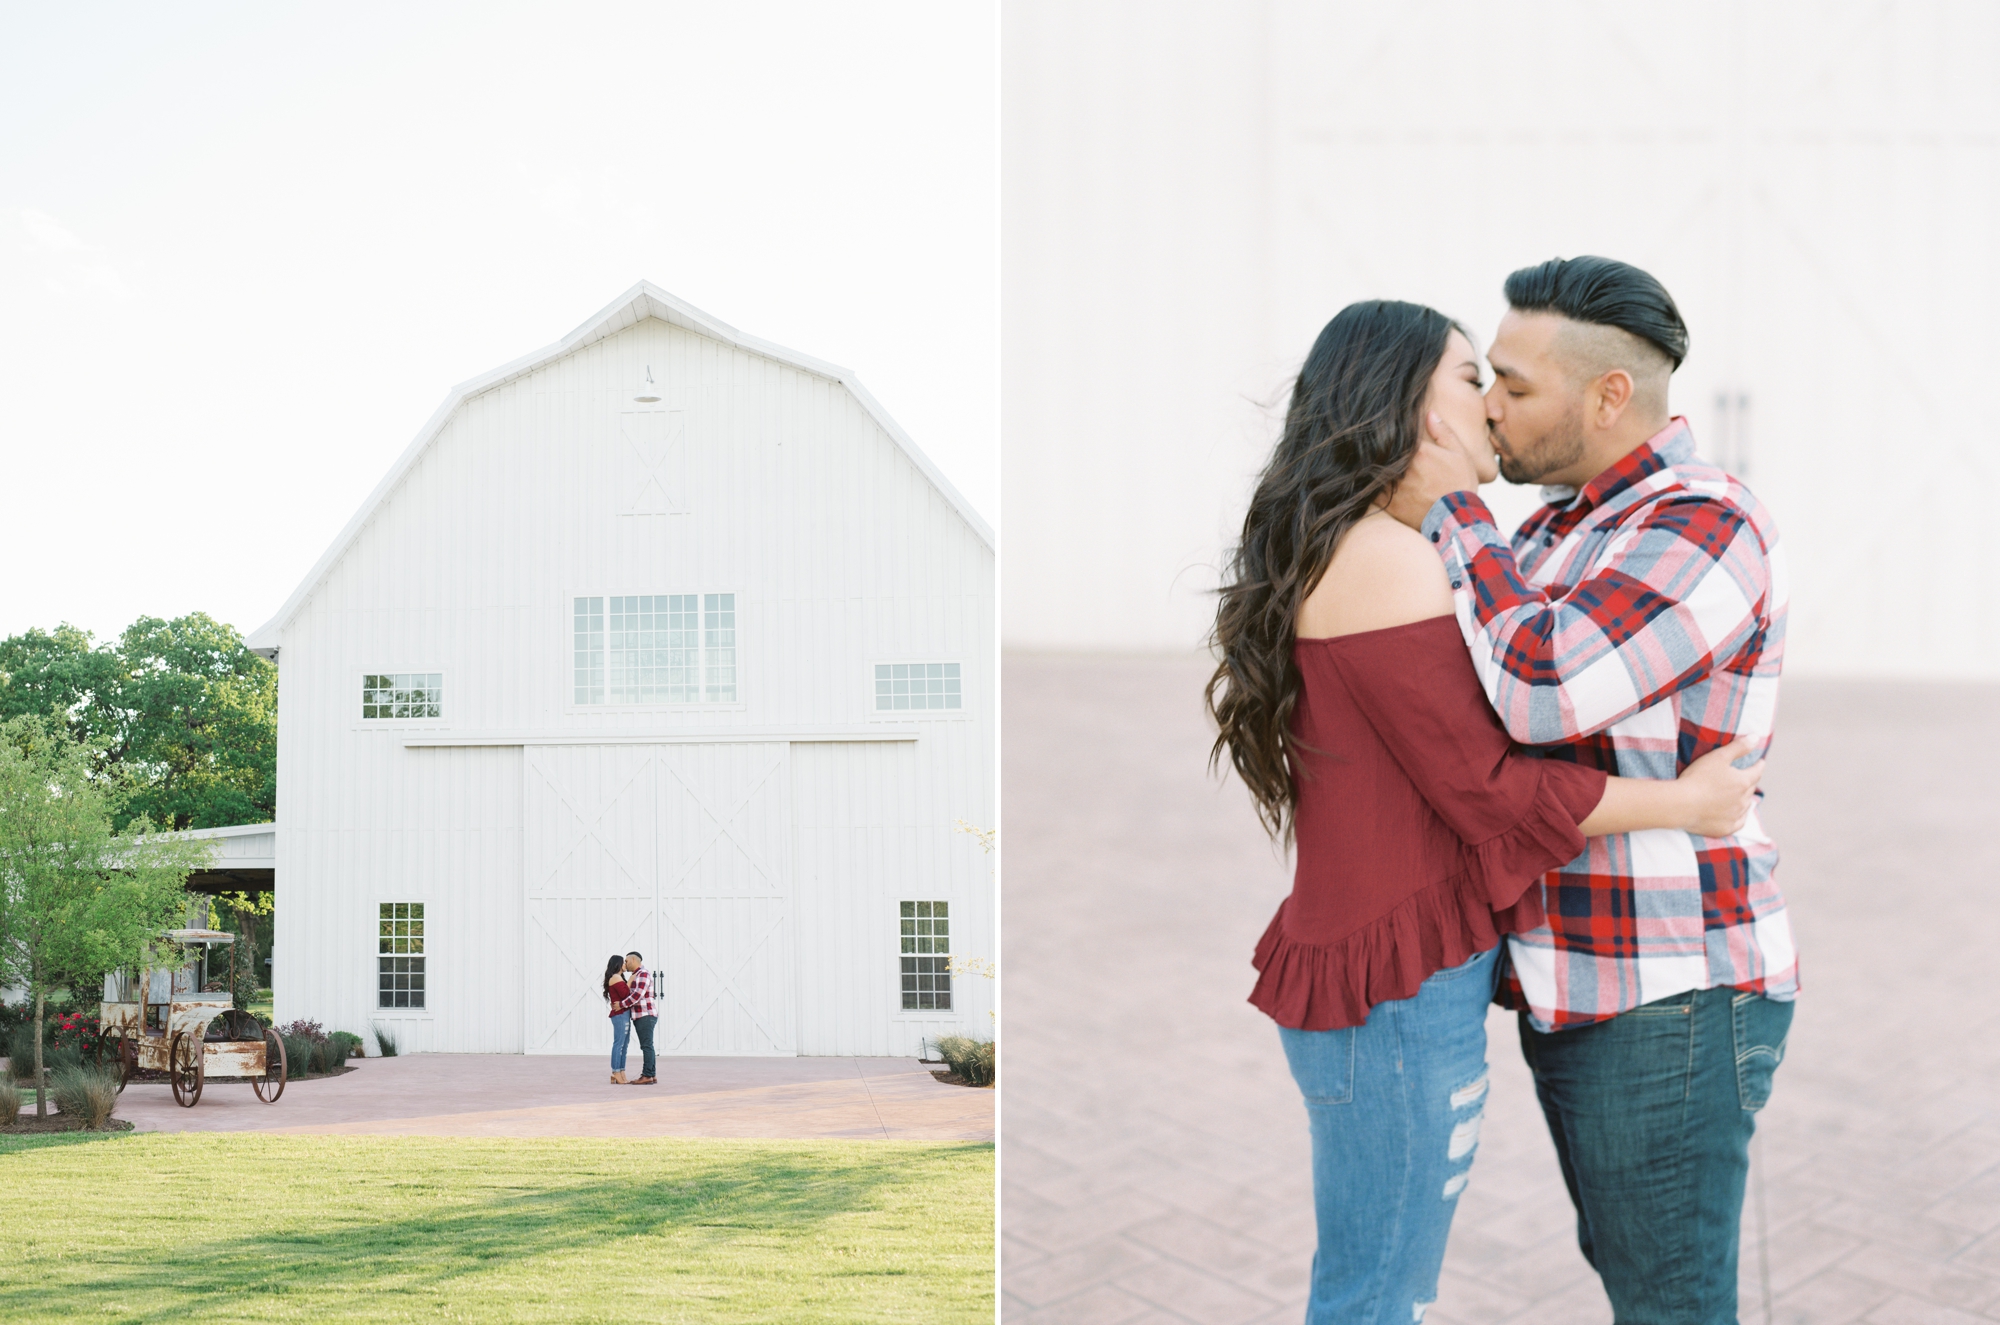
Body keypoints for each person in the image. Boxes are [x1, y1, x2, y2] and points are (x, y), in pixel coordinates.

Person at [1205, 298, 1765, 1325]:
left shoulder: (1392, 544)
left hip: (1398, 977)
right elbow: (1486, 785)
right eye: (1474, 379)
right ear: (1421, 412)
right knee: (1377, 1295)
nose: (1491, 405)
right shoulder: (1386, 557)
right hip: (1392, 991)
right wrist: (1683, 798)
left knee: (1384, 1287)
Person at [1386, 256, 1796, 1323]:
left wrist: (1453, 513)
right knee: (1636, 1273)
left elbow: (1541, 687)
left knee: (1668, 1300)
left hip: (1665, 994)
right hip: (1576, 979)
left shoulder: (1706, 522)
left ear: (1609, 394)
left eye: (1513, 384)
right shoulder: (1551, 531)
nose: (1486, 406)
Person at [621, 951, 658, 1085]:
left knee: (646, 1046)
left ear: (633, 960)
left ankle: (647, 1075)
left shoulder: (643, 974)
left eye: (626, 961)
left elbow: (637, 995)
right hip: (642, 1015)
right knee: (648, 1045)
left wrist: (621, 1005)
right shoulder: (636, 975)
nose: (625, 964)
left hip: (645, 1015)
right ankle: (652, 1075)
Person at [604, 954, 635, 1085]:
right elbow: (625, 994)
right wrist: (631, 979)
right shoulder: (615, 977)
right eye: (623, 962)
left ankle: (621, 1071)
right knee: (619, 1043)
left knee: (624, 1044)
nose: (625, 965)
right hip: (620, 1014)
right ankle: (616, 1071)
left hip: (624, 1013)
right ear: (618, 964)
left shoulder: (618, 977)